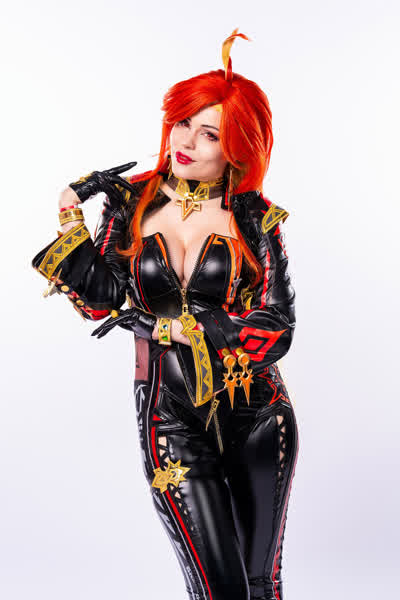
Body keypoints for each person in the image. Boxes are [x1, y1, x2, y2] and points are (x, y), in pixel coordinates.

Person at [32, 29, 299, 600]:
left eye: (210, 134)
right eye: (182, 123)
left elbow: (277, 327)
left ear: (237, 148)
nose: (187, 142)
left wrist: (178, 327)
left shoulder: (257, 218)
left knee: (260, 584)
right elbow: (101, 300)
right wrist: (70, 216)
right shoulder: (130, 202)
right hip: (169, 417)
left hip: (258, 415)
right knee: (218, 588)